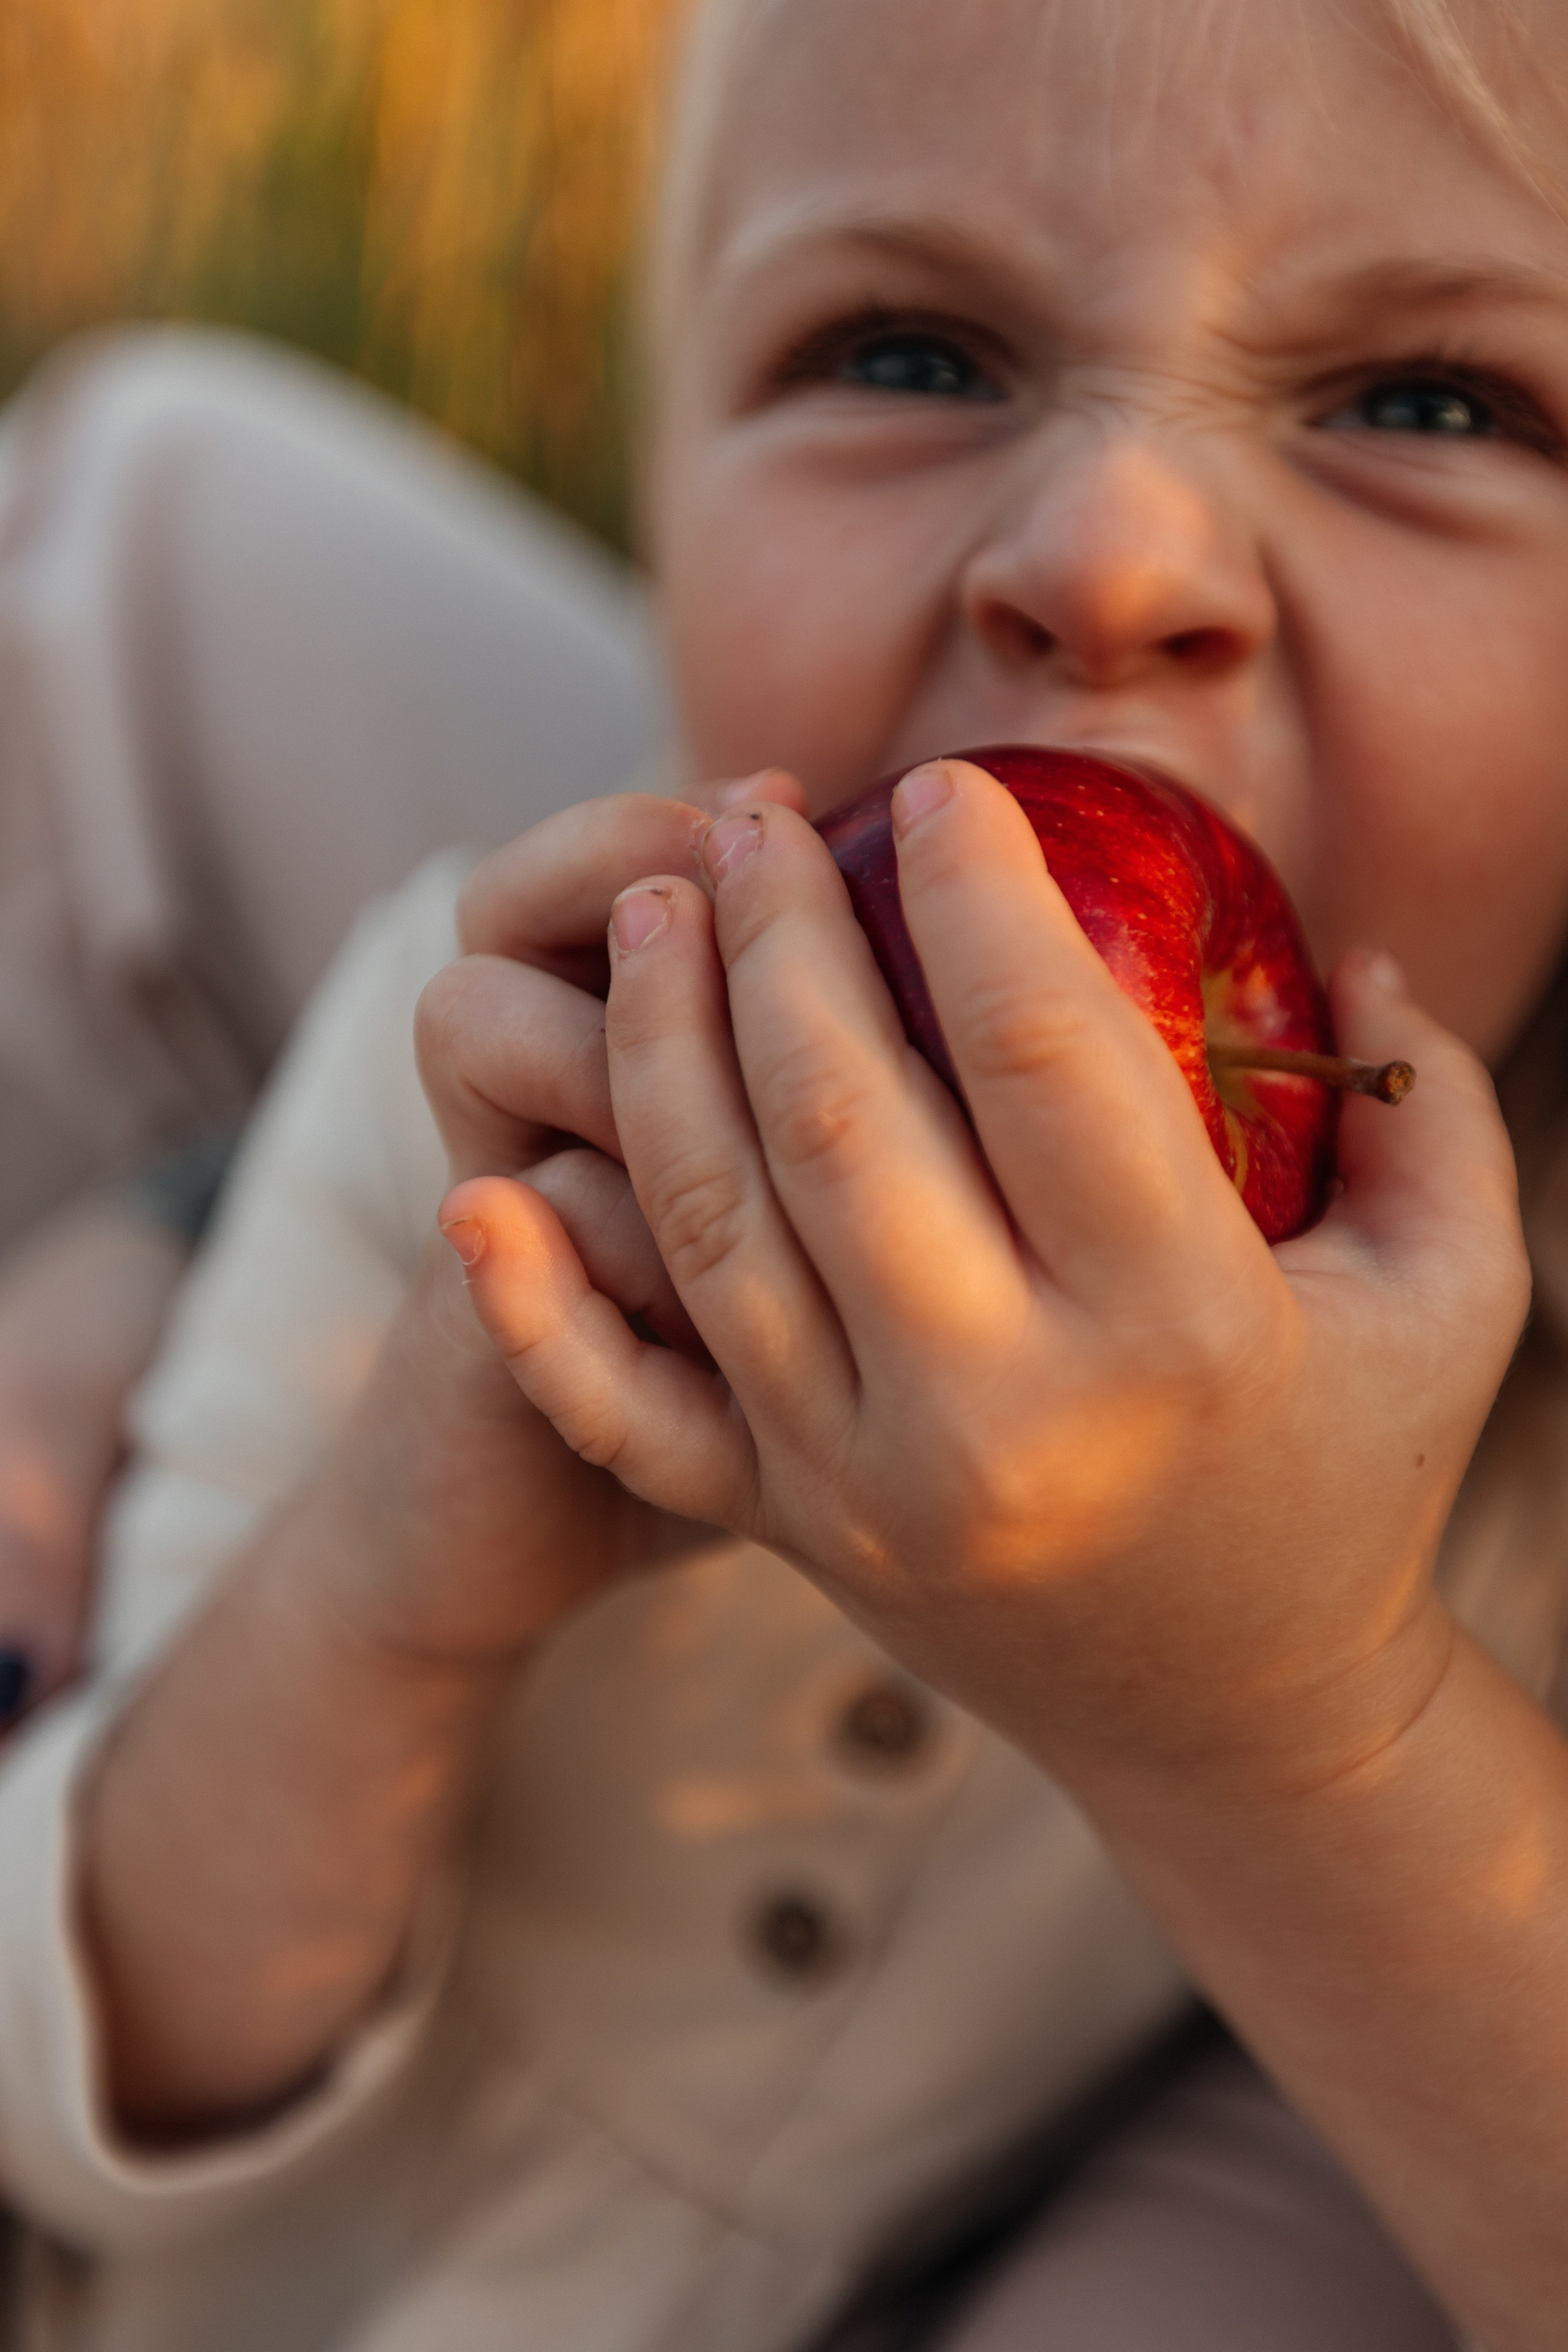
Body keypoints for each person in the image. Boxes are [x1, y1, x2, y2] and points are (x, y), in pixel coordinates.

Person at [1, 0, 1565, 2344]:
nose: (1110, 555)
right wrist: (385, 1595)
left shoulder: (1512, 1551)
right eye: (912, 351)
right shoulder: (483, 1094)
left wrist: (1287, 1709)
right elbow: (65, 2093)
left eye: (1429, 404)